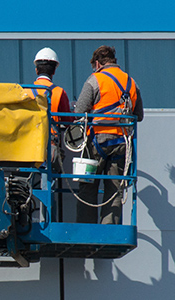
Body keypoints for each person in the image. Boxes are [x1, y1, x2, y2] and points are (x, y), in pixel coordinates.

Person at [74, 45, 144, 224]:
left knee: (88, 186)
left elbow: (80, 112)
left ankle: (86, 228)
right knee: (114, 188)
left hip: (97, 141)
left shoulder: (94, 80)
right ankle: (109, 227)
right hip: (122, 143)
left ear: (97, 64)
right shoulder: (131, 82)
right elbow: (139, 116)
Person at [27, 47, 74, 170]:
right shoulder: (59, 92)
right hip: (50, 147)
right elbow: (69, 121)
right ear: (53, 71)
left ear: (36, 70)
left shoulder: (25, 91)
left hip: (27, 145)